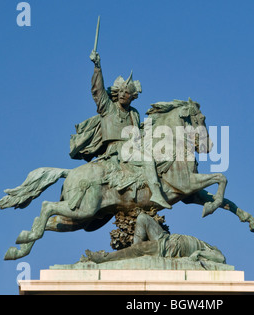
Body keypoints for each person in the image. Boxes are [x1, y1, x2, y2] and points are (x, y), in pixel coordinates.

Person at [69, 50, 171, 209]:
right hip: (117, 151)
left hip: (132, 149)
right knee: (148, 160)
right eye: (121, 91)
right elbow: (98, 91)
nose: (123, 94)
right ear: (117, 93)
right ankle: (156, 194)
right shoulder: (108, 108)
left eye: (127, 92)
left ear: (133, 96)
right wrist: (97, 67)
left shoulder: (133, 113)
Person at [83, 213, 226, 264]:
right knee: (142, 217)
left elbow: (221, 259)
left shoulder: (211, 253)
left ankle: (105, 258)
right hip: (168, 238)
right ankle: (132, 254)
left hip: (172, 248)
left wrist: (199, 254)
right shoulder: (208, 246)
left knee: (141, 248)